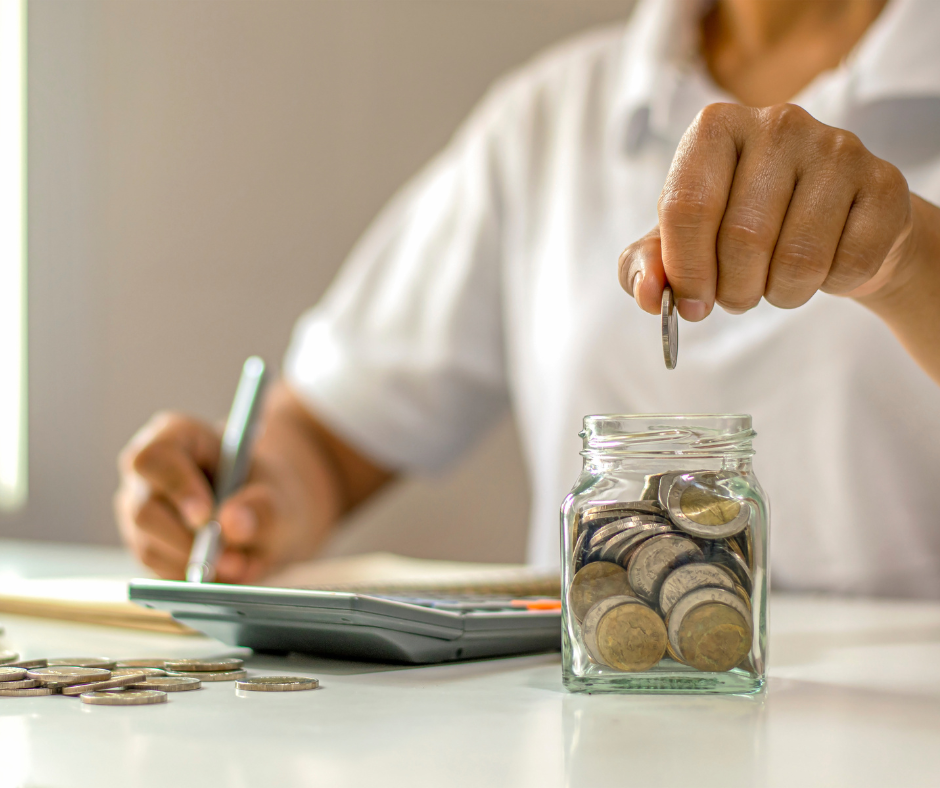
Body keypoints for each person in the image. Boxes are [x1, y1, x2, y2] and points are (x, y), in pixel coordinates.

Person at [115, 0, 940, 597]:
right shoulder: (550, 114)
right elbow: (331, 437)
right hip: (599, 727)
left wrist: (906, 257)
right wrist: (249, 497)